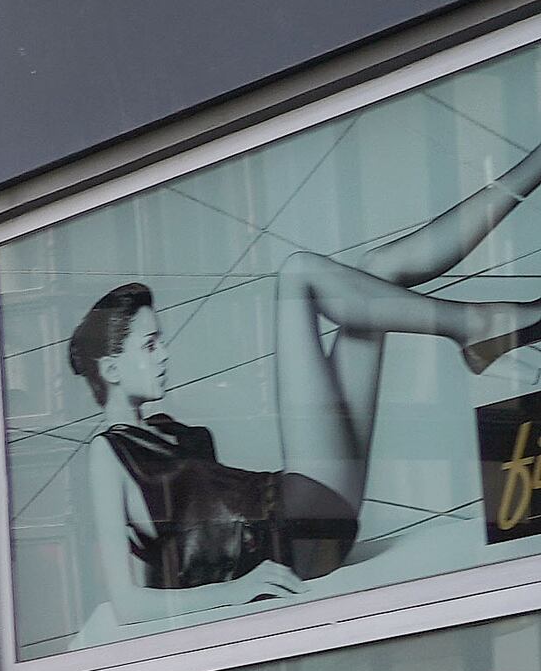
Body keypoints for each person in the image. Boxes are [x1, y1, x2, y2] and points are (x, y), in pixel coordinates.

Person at [65, 161, 541, 637]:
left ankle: (529, 174)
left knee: (378, 273)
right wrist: (235, 592)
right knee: (298, 278)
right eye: (149, 346)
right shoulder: (109, 453)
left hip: (308, 518)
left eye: (160, 340)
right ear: (111, 370)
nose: (165, 353)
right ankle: (476, 329)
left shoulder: (165, 430)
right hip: (296, 528)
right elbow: (126, 604)